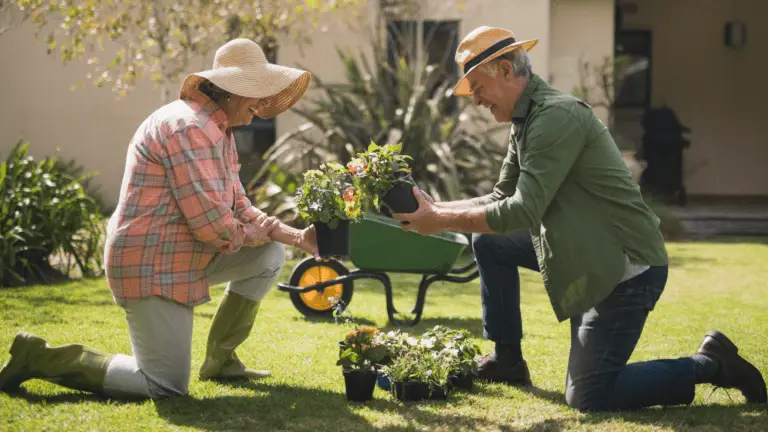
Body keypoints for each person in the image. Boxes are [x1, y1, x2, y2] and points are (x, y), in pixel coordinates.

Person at [390, 26, 766, 411]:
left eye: (477, 86)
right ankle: (507, 361)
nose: (476, 101)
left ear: (505, 70)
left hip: (625, 270)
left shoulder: (555, 117)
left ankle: (713, 364)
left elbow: (522, 210)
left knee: (589, 395)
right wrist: (435, 209)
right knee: (489, 240)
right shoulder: (527, 122)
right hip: (586, 256)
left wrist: (439, 221)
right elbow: (501, 197)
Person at [0, 38, 318, 399]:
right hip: (151, 264)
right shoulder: (188, 128)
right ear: (233, 91)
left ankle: (221, 361)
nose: (261, 108)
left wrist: (295, 237)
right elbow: (214, 227)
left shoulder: (219, 133)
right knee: (164, 385)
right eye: (257, 94)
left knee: (270, 255)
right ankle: (38, 357)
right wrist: (257, 233)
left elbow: (239, 205)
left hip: (184, 256)